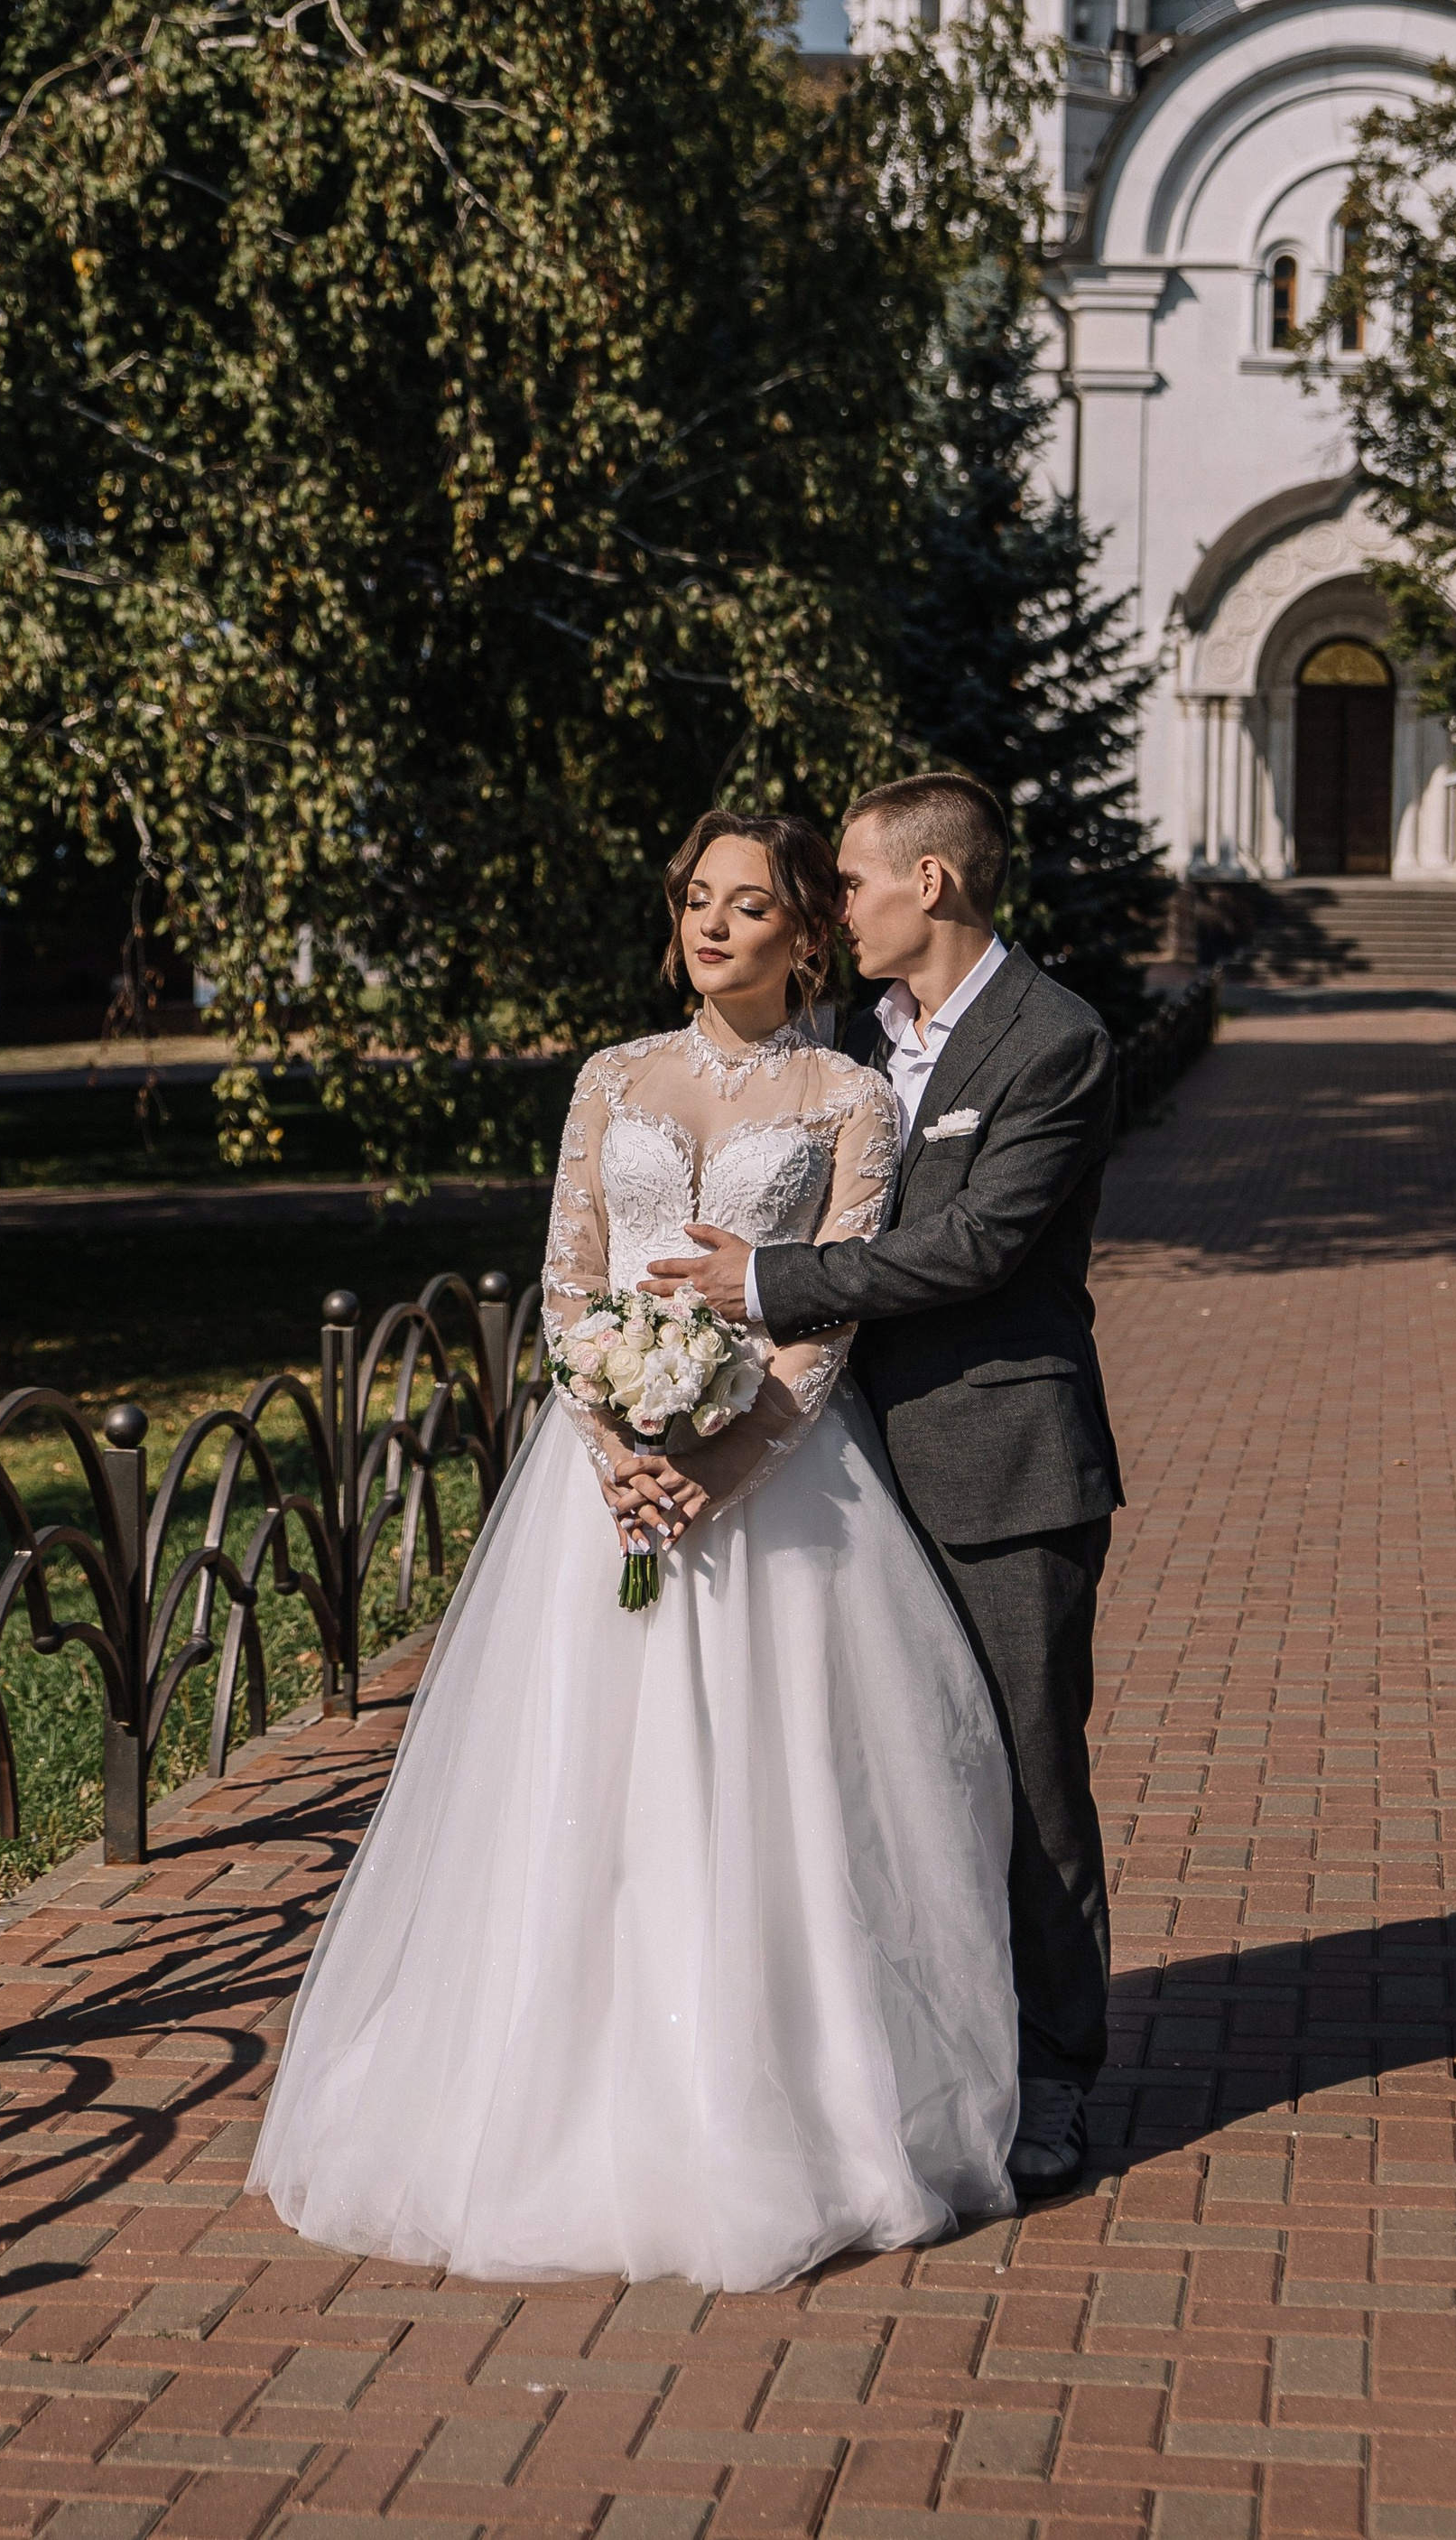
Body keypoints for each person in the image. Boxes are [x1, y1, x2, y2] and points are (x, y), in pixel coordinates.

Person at [246, 809, 1017, 2292]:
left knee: (768, 1798)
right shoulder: (611, 1077)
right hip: (598, 1489)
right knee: (575, 1795)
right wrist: (621, 1450)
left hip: (783, 1497)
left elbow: (831, 1314)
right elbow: (566, 1281)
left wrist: (717, 1470)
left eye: (748, 904)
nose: (712, 924)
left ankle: (779, 2107)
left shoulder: (854, 1098)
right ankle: (542, 2099)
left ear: (805, 932)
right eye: (694, 901)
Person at [653, 773, 1119, 2200]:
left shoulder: (1058, 1041)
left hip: (999, 1465)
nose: (828, 904)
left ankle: (1053, 2078)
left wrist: (769, 1279)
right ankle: (919, 2057)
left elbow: (976, 1247)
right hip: (842, 1474)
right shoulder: (849, 1040)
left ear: (930, 884)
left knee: (1025, 1784)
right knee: (884, 1787)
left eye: (848, 880)